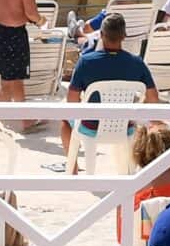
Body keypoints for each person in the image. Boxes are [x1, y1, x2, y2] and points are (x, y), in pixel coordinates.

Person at [65, 12, 160, 158]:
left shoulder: (85, 62)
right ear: (124, 35)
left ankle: (73, 171)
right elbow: (153, 98)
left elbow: (71, 101)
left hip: (90, 126)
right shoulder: (137, 63)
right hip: (125, 127)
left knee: (64, 121)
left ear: (101, 34)